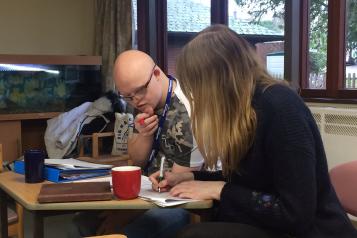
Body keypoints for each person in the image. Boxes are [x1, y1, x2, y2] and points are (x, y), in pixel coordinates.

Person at [149, 25, 357, 238]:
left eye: (196, 86)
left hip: (314, 232)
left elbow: (296, 214)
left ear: (218, 80)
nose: (196, 95)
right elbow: (249, 181)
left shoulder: (281, 108)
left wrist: (220, 189)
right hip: (277, 228)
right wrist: (190, 178)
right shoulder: (248, 109)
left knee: (194, 235)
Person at [68, 50, 204, 238]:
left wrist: (127, 213)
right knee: (83, 221)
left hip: (180, 201)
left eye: (140, 91)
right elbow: (136, 161)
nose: (136, 101)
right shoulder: (145, 101)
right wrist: (144, 134)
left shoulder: (186, 111)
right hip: (148, 191)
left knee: (125, 232)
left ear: (156, 74)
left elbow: (177, 184)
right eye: (128, 97)